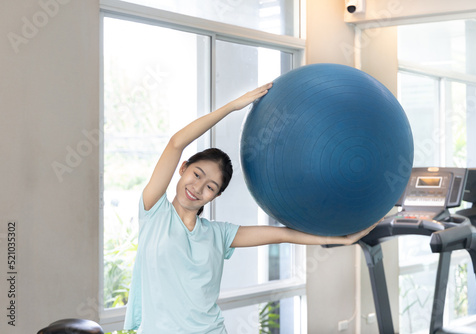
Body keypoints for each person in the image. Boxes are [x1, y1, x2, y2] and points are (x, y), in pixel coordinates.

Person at [124, 83, 378, 333]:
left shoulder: (219, 234)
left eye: (211, 187)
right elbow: (176, 143)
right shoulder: (154, 211)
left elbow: (283, 233)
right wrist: (233, 106)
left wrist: (342, 240)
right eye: (197, 174)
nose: (198, 188)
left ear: (215, 196)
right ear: (183, 169)